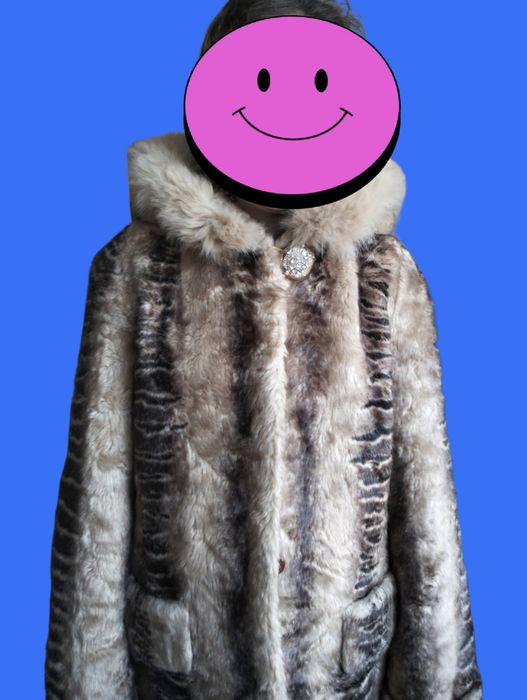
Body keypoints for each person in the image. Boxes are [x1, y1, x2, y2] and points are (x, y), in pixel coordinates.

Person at [44, 2, 483, 699]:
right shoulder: (138, 269)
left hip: (338, 670)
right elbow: (98, 492)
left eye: (319, 80)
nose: (290, 105)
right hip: (187, 672)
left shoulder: (384, 274)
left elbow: (425, 503)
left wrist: (438, 683)